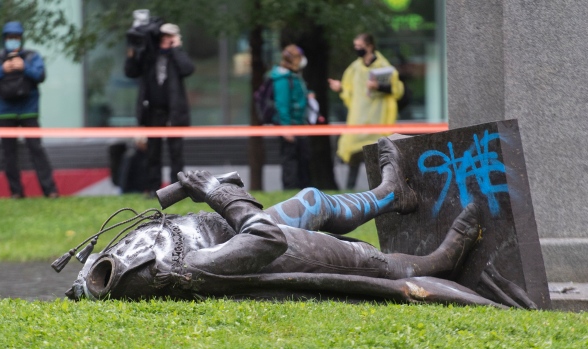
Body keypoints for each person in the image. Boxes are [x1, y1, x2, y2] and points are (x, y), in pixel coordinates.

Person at [59, 137, 535, 308]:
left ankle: (391, 195)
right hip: (269, 242)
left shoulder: (119, 267)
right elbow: (263, 238)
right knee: (372, 263)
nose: (119, 254)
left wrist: (220, 195)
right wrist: (222, 195)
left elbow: (83, 282)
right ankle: (443, 260)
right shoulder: (185, 268)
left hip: (241, 226)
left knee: (312, 199)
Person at [0, 21, 59, 199]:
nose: (13, 41)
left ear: (21, 39)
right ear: (4, 39)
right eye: (10, 38)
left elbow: (40, 75)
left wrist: (24, 67)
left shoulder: (32, 57)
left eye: (16, 38)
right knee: (9, 154)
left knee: (36, 150)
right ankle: (16, 192)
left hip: (29, 110)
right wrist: (3, 69)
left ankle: (50, 191)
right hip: (5, 111)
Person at [124, 22, 195, 197]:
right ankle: (153, 189)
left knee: (176, 154)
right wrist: (133, 50)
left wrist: (176, 48)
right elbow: (131, 71)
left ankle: (177, 190)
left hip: (174, 112)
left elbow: (188, 69)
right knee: (153, 153)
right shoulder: (150, 56)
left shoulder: (177, 56)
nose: (165, 42)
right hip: (153, 112)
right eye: (162, 38)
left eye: (169, 38)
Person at [328, 33, 404, 190]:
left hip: (377, 121)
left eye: (359, 46)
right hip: (358, 121)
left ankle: (381, 189)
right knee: (353, 157)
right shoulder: (355, 68)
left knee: (377, 159)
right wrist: (340, 87)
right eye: (355, 46)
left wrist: (379, 87)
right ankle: (349, 191)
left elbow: (396, 90)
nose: (357, 49)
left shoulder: (383, 67)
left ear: (369, 46)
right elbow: (349, 89)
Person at [270, 44, 311, 190]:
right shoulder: (282, 79)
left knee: (303, 162)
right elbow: (282, 105)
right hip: (291, 127)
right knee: (290, 164)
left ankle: (305, 193)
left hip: (300, 125)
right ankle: (290, 193)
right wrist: (286, 128)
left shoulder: (294, 76)